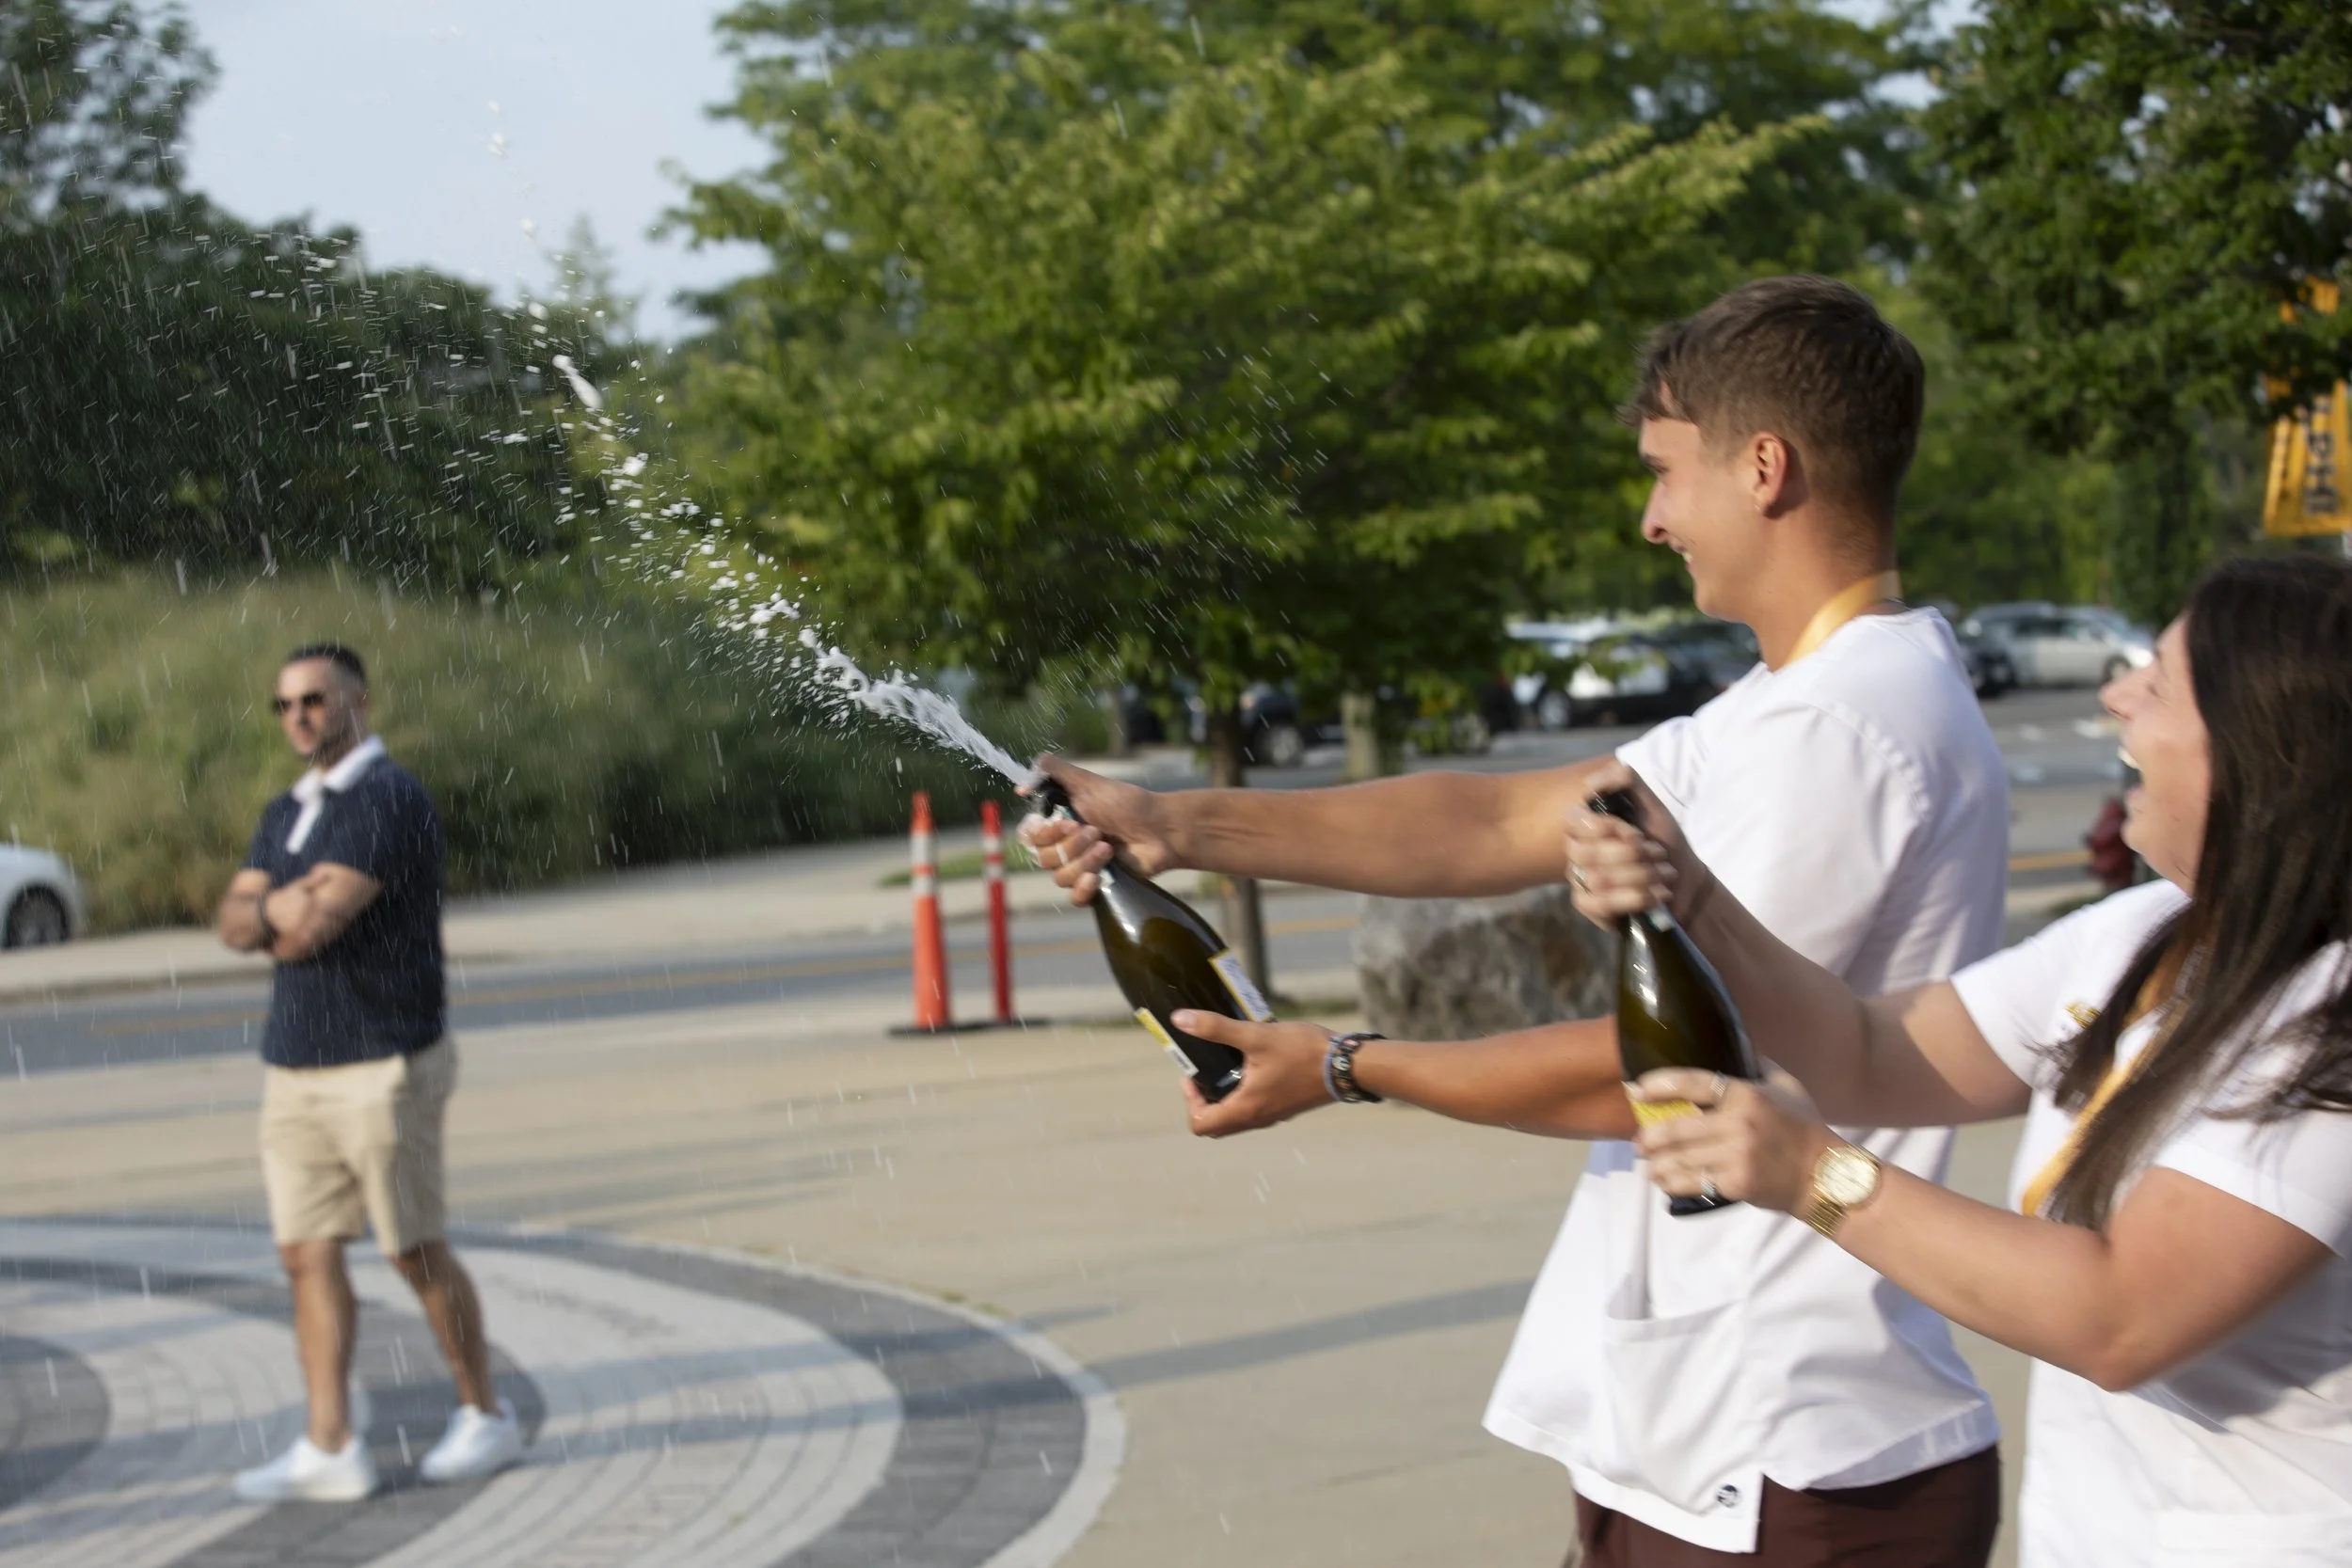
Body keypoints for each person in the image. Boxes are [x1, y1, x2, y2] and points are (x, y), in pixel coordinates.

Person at [1025, 277, 2010, 1563]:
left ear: (1765, 467)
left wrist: (1342, 1065)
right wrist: (1174, 824)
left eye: (1667, 473)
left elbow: (1667, 1077)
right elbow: (1491, 823)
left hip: (1788, 1454)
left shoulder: (1847, 728)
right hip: (1709, 1446)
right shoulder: (1796, 703)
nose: (1654, 518)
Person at [1564, 554, 2352, 1566]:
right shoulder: (2146, 932)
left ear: (2261, 752)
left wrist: (1816, 1176)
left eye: (2153, 684)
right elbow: (1868, 1052)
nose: (2113, 695)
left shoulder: (2326, 1017)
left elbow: (2122, 1313)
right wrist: (1694, 892)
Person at [215, 642, 522, 1501]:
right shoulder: (287, 810)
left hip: (385, 1060)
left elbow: (316, 924)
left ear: (359, 699)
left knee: (413, 1248)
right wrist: (277, 903)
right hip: (295, 1065)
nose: (299, 716)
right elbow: (234, 920)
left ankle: (484, 1413)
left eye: (314, 699)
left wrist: (269, 908)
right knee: (304, 1253)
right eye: (283, 705)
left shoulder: (388, 797)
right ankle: (329, 1442)